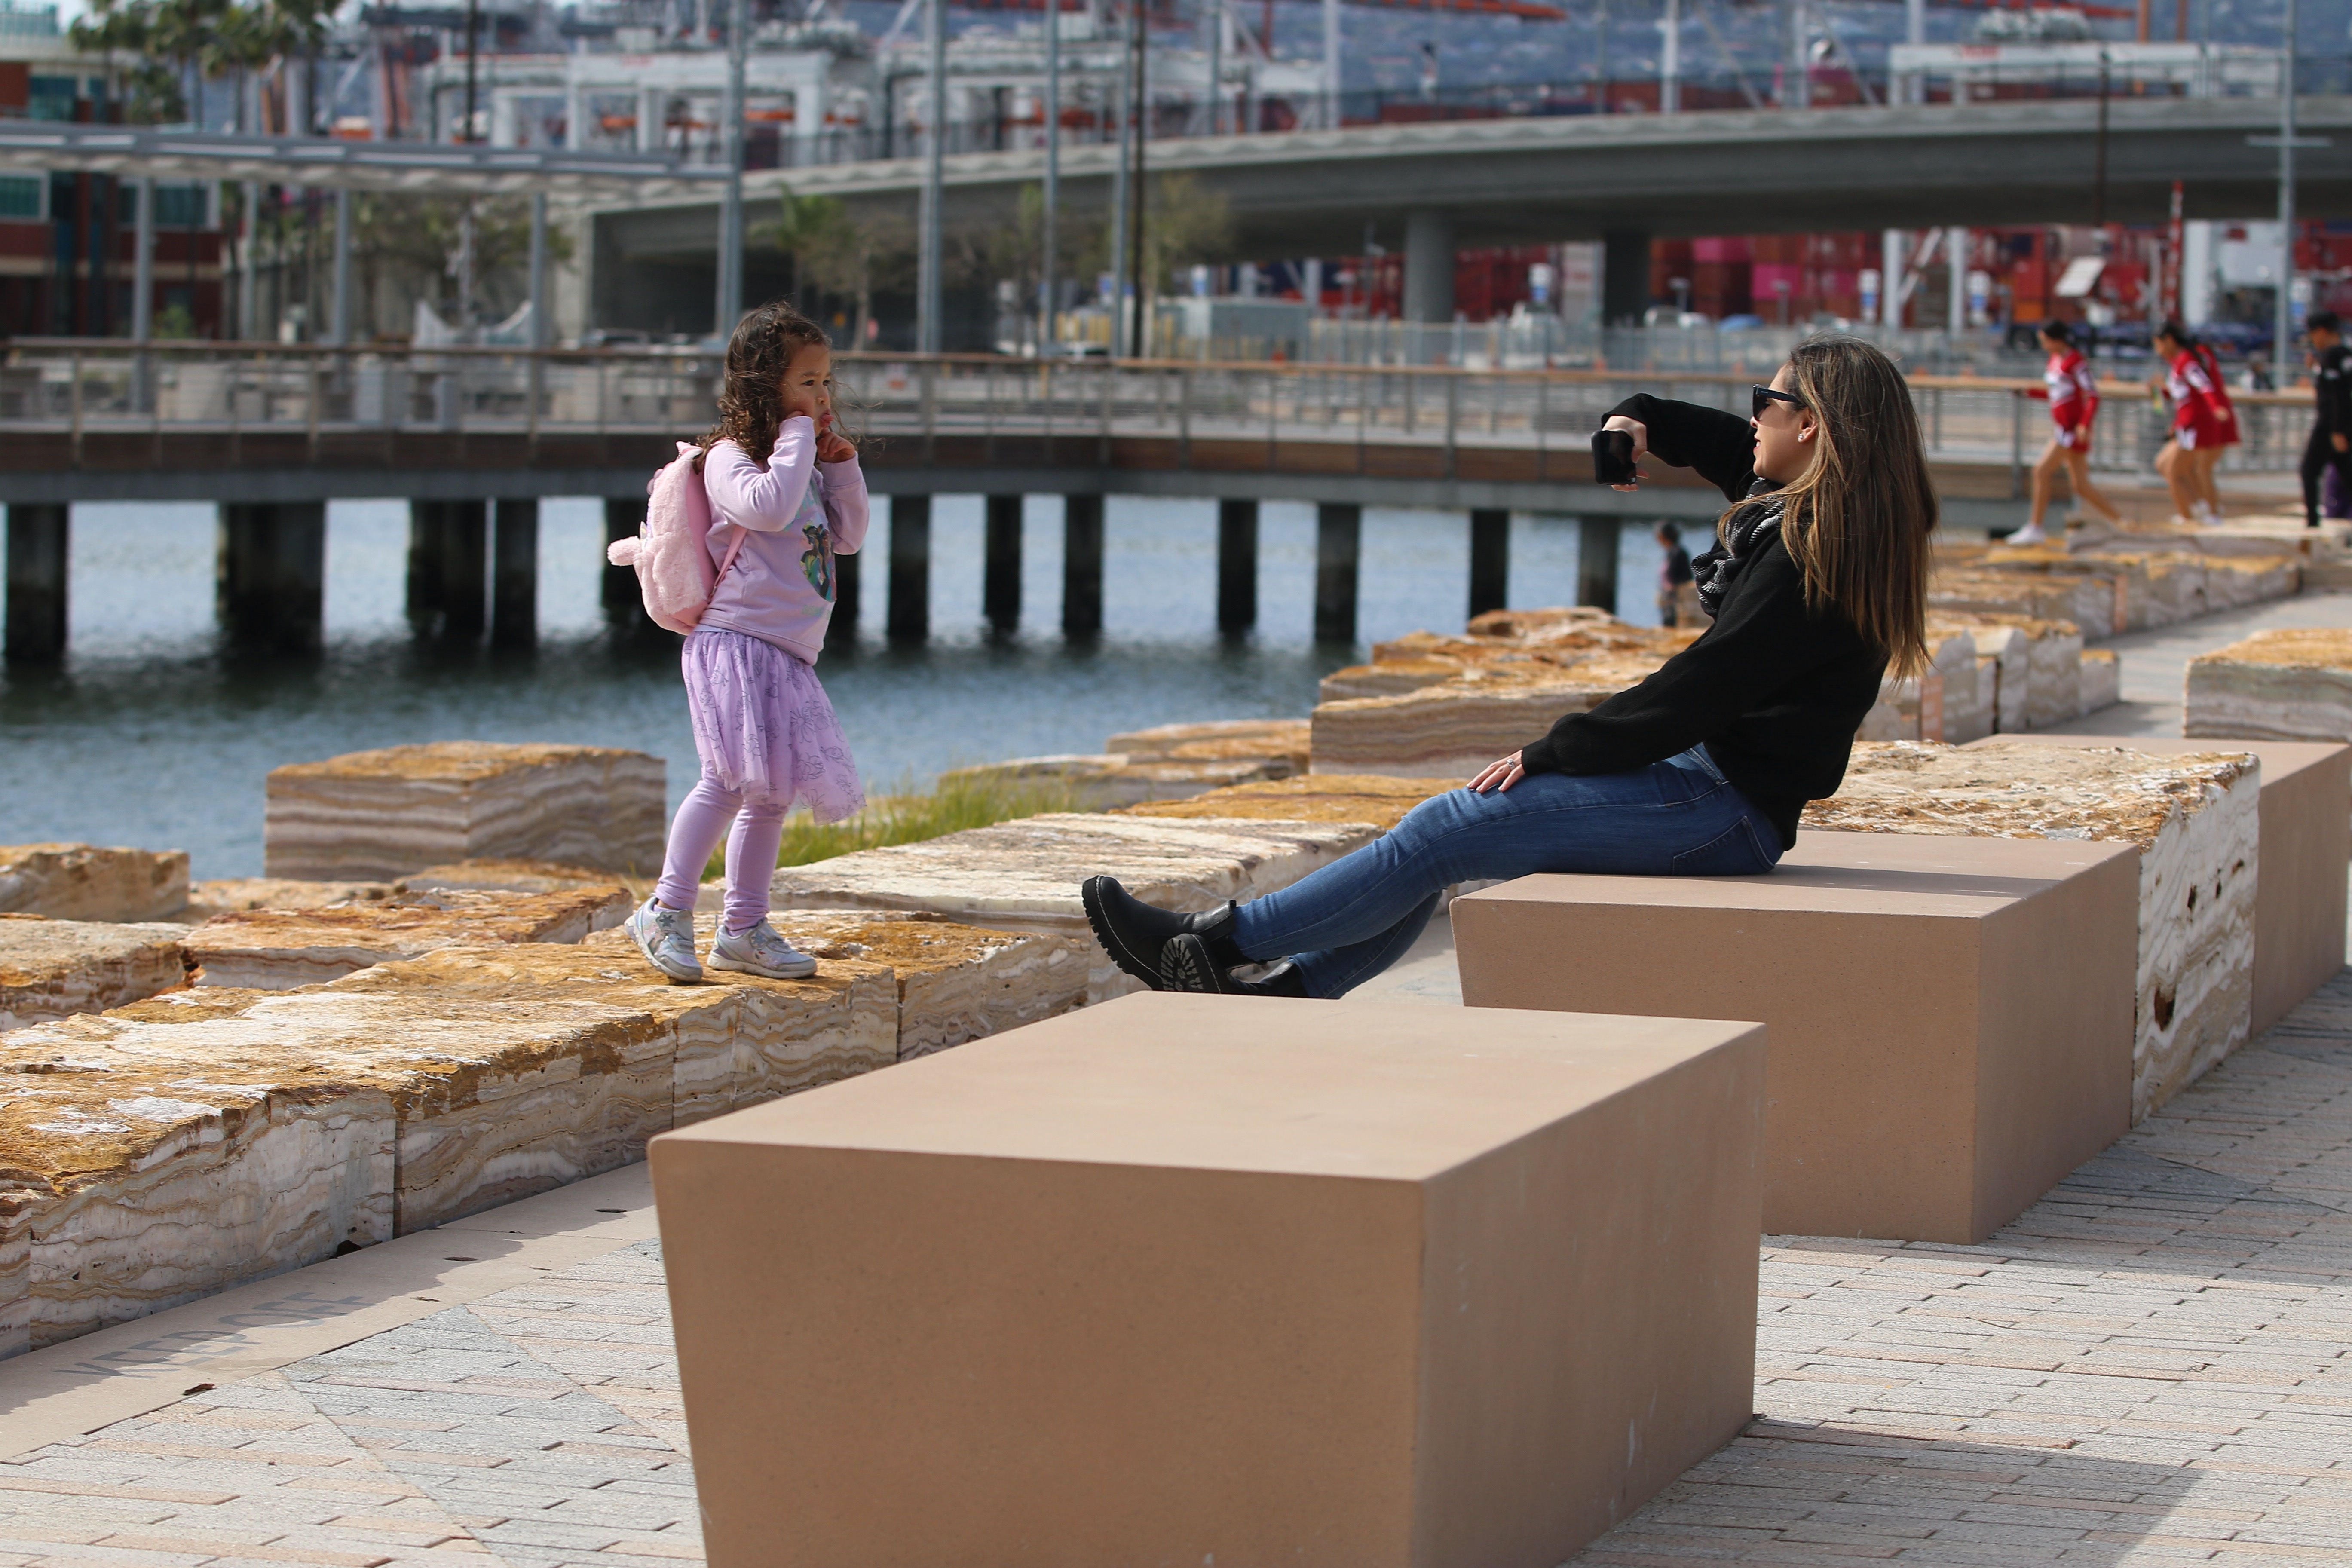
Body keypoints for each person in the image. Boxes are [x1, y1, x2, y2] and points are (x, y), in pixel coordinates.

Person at [1081, 335, 1935, 999]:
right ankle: (1291, 990)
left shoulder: (1805, 556)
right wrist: (1631, 421)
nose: (1752, 418)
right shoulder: (1832, 519)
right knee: (1454, 836)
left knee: (1456, 824)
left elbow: (1702, 689)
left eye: (1767, 402)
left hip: (1724, 806)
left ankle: (1212, 942)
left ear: (1811, 425)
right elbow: (1709, 438)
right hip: (1716, 787)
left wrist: (1554, 749)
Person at [624, 301, 870, 984]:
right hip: (733, 641)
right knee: (728, 779)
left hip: (786, 653)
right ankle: (666, 910)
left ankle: (744, 926)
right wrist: (796, 438)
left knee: (772, 794)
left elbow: (846, 537)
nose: (822, 397)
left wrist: (841, 466)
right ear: (765, 388)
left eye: (826, 383)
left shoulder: (805, 465)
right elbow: (766, 509)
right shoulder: (729, 459)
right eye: (807, 383)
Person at [2013, 320, 2122, 545]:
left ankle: (2036, 527)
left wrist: (2084, 424)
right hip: (2063, 428)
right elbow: (2056, 394)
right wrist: (2028, 393)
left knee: (2041, 471)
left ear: (2056, 340)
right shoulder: (2054, 361)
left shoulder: (2076, 362)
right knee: (2081, 486)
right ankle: (2122, 522)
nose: (2042, 344)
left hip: (2071, 431)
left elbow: (2093, 395)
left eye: (2045, 340)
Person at [2152, 320, 2228, 524]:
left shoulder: (2187, 362)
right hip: (2184, 425)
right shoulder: (2177, 364)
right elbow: (2182, 397)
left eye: (2158, 344)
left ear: (2169, 341)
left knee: (2175, 471)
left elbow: (2204, 386)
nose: (2157, 351)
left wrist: (2216, 407)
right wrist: (2160, 391)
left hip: (2194, 425)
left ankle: (2196, 515)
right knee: (2166, 466)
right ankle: (2199, 508)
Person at [2302, 310, 2352, 529]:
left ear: (2321, 332)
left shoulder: (2332, 356)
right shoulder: (2345, 354)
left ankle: (2312, 523)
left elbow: (2337, 394)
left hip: (2330, 426)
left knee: (2308, 471)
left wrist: (2337, 430)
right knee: (2347, 476)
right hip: (2343, 424)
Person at [1655, 521, 1694, 625]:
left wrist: (1673, 587)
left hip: (1676, 599)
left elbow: (1688, 576)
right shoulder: (1670, 552)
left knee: (1671, 623)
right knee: (1666, 622)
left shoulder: (1679, 553)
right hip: (1667, 598)